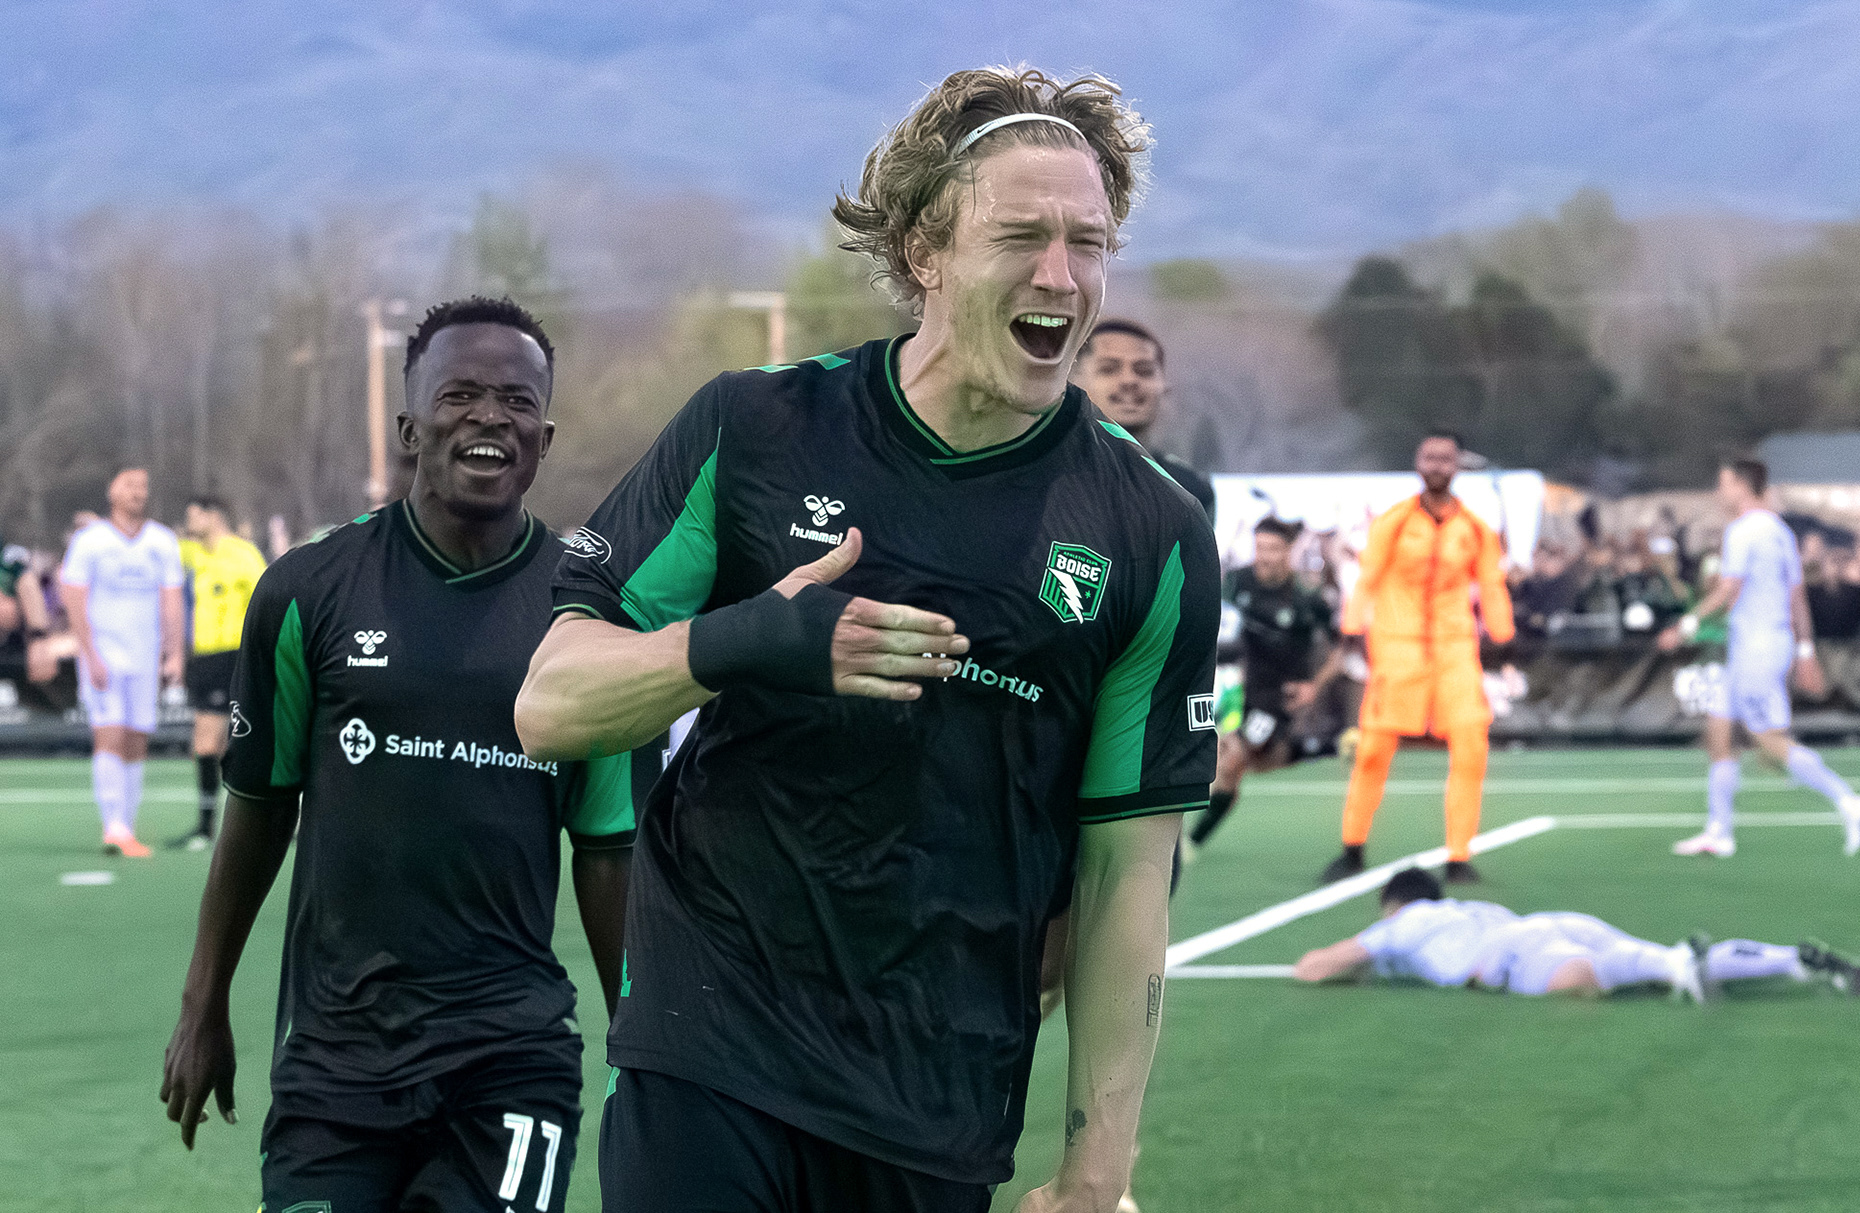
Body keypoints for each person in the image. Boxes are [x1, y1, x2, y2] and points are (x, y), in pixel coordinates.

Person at [516, 67, 1217, 1213]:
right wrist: (753, 637)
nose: (1061, 276)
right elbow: (551, 700)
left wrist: (1098, 1175)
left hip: (938, 1090)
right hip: (710, 1040)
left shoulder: (1153, 531)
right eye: (1022, 236)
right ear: (924, 249)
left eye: (1089, 242)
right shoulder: (757, 428)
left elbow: (1128, 873)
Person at [160, 298, 635, 1213]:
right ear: (410, 425)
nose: (489, 416)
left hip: (512, 1057)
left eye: (514, 399)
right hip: (335, 1060)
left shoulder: (592, 614)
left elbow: (608, 848)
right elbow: (259, 807)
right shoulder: (309, 590)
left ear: (545, 434)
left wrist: (642, 1044)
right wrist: (202, 1001)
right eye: (459, 394)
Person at [1657, 458, 1860, 858]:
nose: (1719, 492)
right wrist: (1806, 650)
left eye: (1723, 483)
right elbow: (1797, 596)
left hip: (1757, 648)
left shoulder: (1743, 531)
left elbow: (1729, 591)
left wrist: (1685, 627)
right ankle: (1719, 832)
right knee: (1719, 733)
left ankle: (1850, 801)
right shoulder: (1781, 532)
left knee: (1767, 740)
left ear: (1742, 486)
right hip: (1761, 646)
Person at [1321, 431, 1513, 886]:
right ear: (1417, 462)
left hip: (1454, 648)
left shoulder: (1474, 529)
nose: (1437, 465)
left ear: (1458, 465)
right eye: (1430, 457)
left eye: (1446, 458)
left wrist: (1504, 634)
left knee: (1471, 745)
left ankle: (1459, 855)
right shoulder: (1394, 521)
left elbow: (1491, 583)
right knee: (1372, 750)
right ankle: (1352, 846)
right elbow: (1368, 577)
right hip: (1397, 648)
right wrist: (1352, 626)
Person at [1294, 866, 1860, 999]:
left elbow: (1319, 965)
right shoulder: (1464, 910)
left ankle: (1678, 968)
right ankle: (1792, 961)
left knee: (1580, 980)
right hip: (1550, 921)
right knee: (1640, 956)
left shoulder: (1404, 925)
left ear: (1391, 905)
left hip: (1509, 954)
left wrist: (1337, 958)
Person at [58, 467, 185, 858]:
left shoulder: (161, 541)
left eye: (143, 487)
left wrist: (175, 652)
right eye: (130, 485)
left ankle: (126, 825)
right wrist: (89, 652)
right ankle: (112, 825)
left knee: (136, 738)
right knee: (109, 733)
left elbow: (172, 599)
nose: (138, 493)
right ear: (112, 490)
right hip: (105, 655)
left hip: (144, 655)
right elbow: (74, 596)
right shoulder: (90, 541)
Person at [1194, 517, 1341, 848]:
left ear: (1289, 551)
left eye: (1273, 549)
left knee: (1234, 761)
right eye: (1260, 547)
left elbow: (1338, 654)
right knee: (1233, 761)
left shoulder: (1306, 598)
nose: (1264, 556)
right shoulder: (1237, 582)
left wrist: (1313, 687)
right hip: (1238, 686)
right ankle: (1314, 748)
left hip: (1277, 697)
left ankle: (1193, 841)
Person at [168, 494, 268, 850]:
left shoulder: (243, 554)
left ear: (213, 517)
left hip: (234, 655)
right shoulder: (193, 554)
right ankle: (229, 824)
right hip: (203, 658)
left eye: (193, 515)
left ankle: (207, 826)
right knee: (221, 743)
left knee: (209, 741)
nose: (188, 523)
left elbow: (267, 600)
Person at [1074, 317, 1215, 519]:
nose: (1129, 380)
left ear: (1164, 385)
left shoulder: (1190, 491)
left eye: (1144, 371)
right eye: (1109, 369)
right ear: (1072, 382)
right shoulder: (1043, 475)